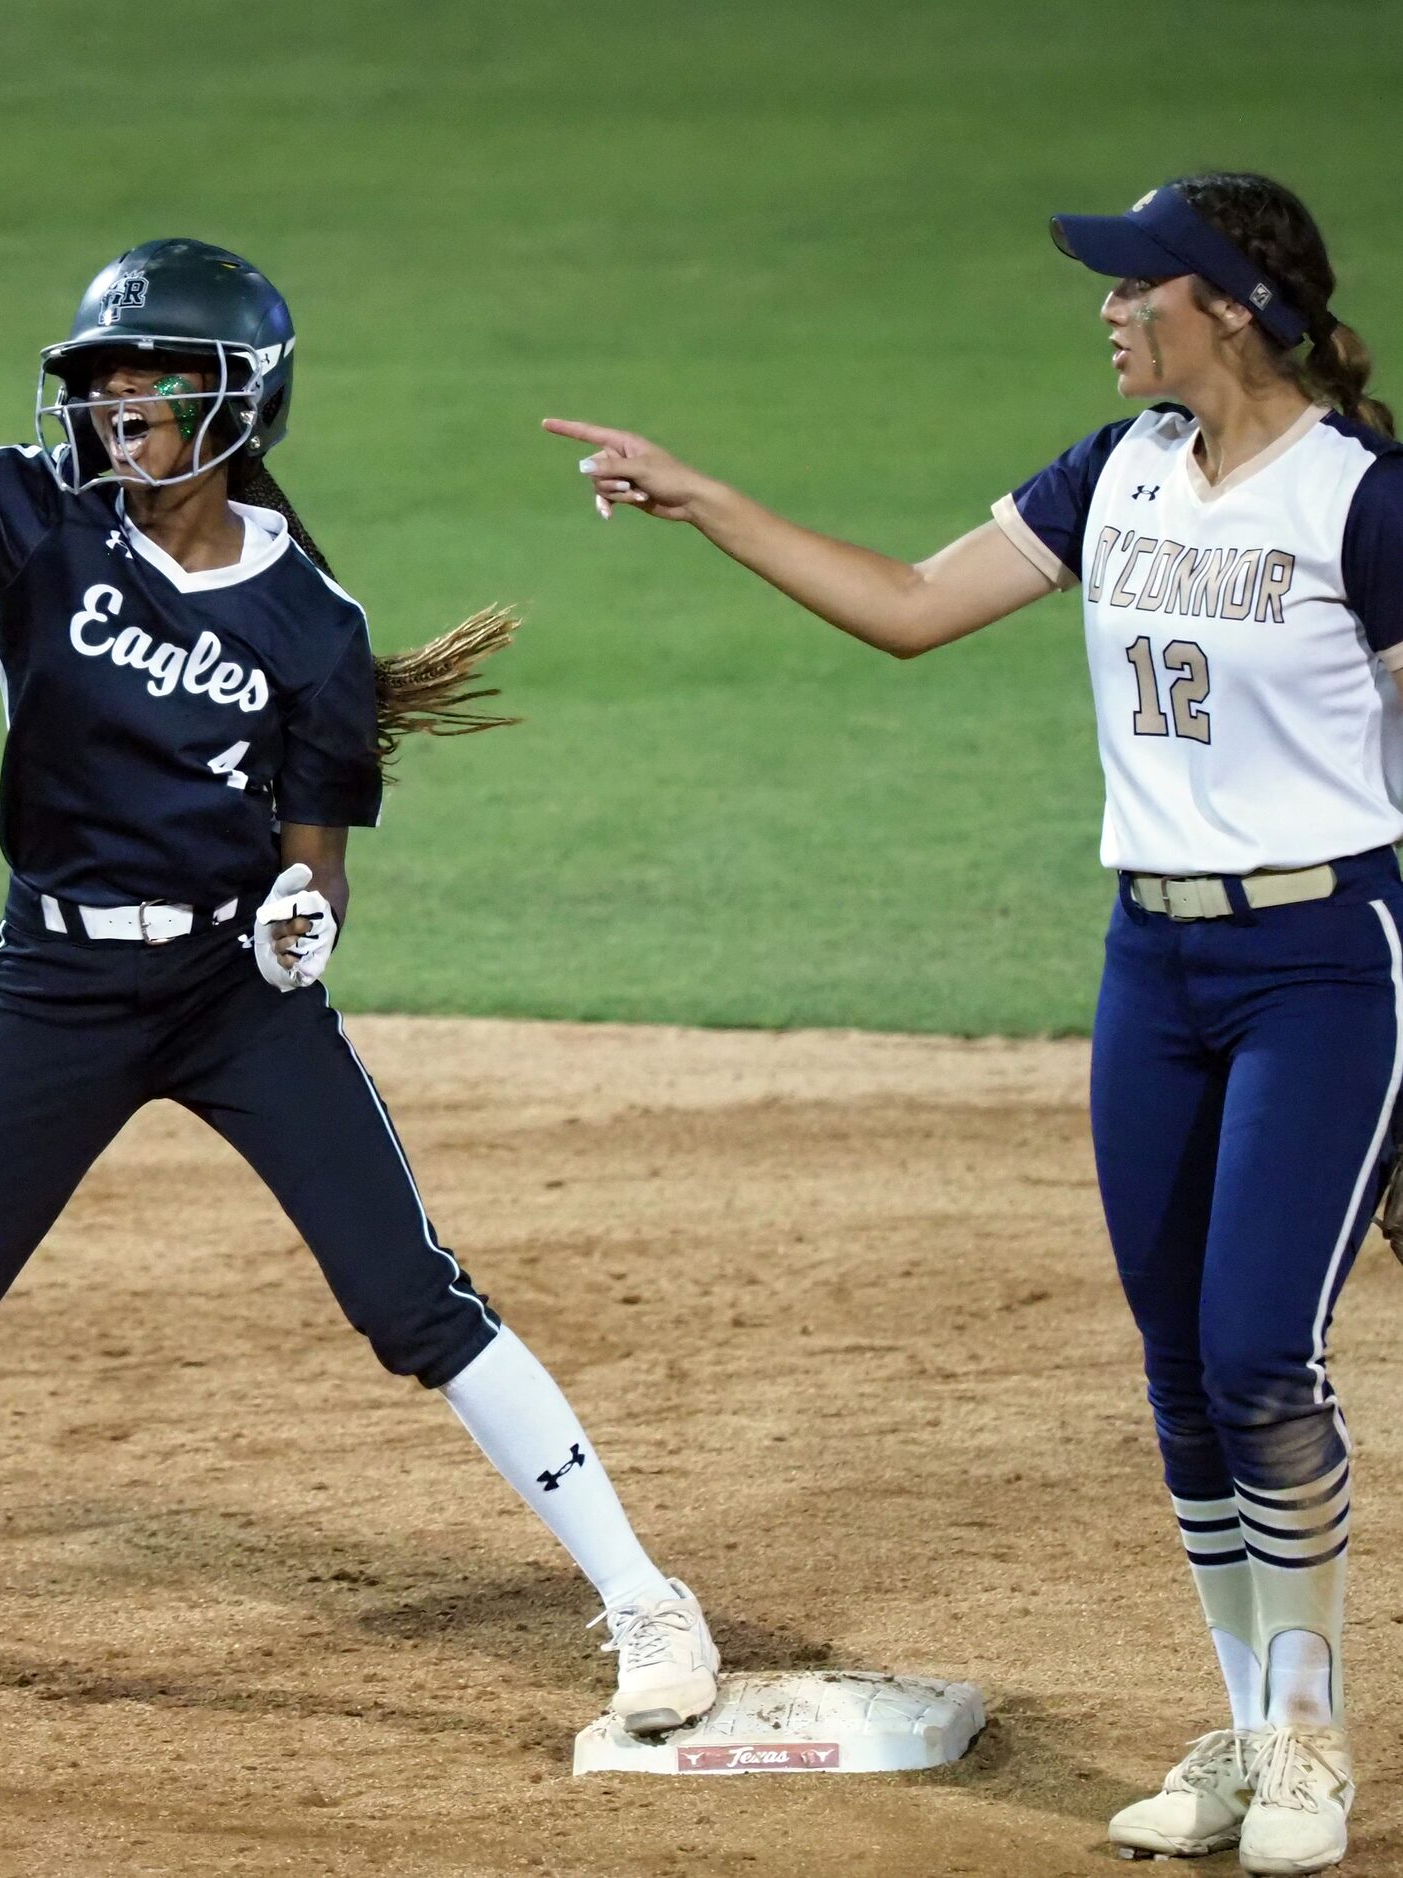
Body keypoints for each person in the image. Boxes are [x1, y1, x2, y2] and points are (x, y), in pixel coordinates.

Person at [0, 107, 721, 1790]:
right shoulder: (30, 522)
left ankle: (647, 1603)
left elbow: (315, 857)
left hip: (226, 1003)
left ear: (236, 399)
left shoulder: (314, 625)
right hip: (51, 987)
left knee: (408, 1295)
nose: (111, 399)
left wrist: (297, 916)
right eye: (101, 375)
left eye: (148, 376)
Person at [548, 172, 1399, 1875]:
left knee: (1255, 1352)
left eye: (1128, 284)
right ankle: (1239, 1732)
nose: (1100, 308)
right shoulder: (1117, 471)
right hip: (1146, 971)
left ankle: (1307, 1729)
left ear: (1223, 303)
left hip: (1324, 962)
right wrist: (705, 497)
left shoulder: (1361, 504)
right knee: (1177, 1375)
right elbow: (913, 607)